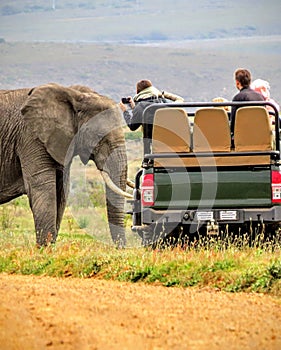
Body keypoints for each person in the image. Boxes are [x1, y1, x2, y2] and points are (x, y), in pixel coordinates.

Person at [119, 79, 184, 132]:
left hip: (153, 143)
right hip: (172, 138)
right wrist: (162, 94)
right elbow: (180, 100)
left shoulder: (140, 108)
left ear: (138, 92)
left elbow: (132, 127)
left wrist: (125, 111)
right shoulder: (162, 102)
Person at [230, 68, 265, 135]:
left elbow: (233, 124)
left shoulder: (238, 98)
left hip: (243, 137)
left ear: (237, 83)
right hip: (260, 135)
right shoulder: (260, 97)